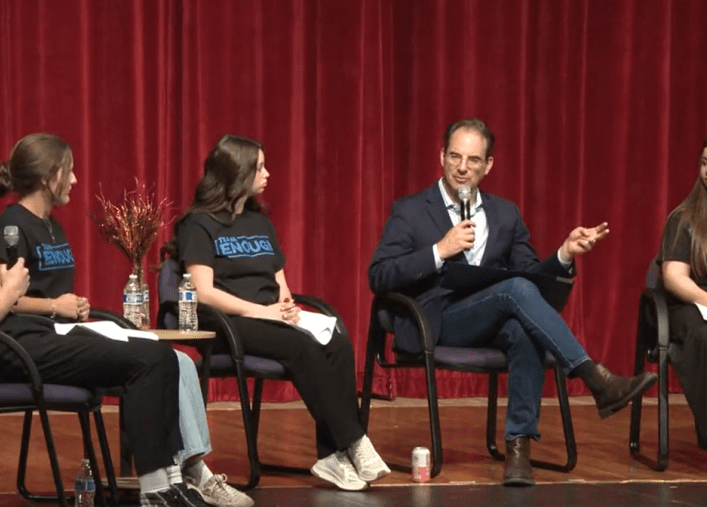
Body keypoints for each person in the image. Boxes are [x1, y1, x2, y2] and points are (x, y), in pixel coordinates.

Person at [0, 114, 208, 507]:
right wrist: (12, 291)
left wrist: (13, 297)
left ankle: (169, 483)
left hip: (16, 337)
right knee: (150, 359)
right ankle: (157, 491)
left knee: (155, 352)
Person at [367, 117, 658, 486]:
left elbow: (532, 279)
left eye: (473, 160)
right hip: (436, 321)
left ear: (488, 165)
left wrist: (565, 253)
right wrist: (439, 250)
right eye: (455, 156)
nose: (462, 167)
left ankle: (518, 449)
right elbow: (379, 275)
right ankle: (595, 379)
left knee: (523, 328)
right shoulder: (410, 210)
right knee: (514, 291)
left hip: (489, 319)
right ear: (441, 157)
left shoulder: (505, 214)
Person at [0, 133, 253, 507]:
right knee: (151, 359)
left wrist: (71, 306)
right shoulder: (10, 225)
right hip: (33, 340)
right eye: (69, 171)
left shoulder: (51, 225)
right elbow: (1, 298)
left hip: (65, 330)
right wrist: (53, 306)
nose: (75, 179)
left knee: (173, 358)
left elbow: (51, 295)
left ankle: (183, 476)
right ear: (48, 177)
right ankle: (161, 484)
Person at [166, 134, 390, 492]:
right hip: (227, 323)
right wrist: (263, 312)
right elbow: (204, 292)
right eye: (259, 168)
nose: (267, 174)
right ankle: (355, 441)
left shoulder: (260, 222)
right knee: (301, 346)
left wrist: (285, 305)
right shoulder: (198, 224)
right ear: (236, 173)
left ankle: (331, 455)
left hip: (270, 317)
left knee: (336, 339)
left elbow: (279, 280)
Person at [658, 137, 707, 448]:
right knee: (703, 335)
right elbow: (674, 277)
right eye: (704, 162)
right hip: (690, 302)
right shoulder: (684, 218)